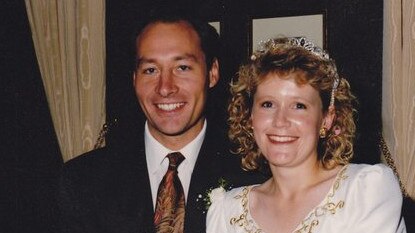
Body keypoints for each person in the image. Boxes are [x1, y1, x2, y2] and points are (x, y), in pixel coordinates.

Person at [60, 7, 264, 233]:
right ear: (134, 78)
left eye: (182, 67)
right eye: (150, 70)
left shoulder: (254, 173)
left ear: (212, 73)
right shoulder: (83, 181)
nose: (165, 88)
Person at [206, 37, 406, 233]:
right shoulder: (227, 210)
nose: (280, 121)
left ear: (326, 119)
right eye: (268, 104)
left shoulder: (364, 191)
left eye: (299, 106)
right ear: (250, 117)